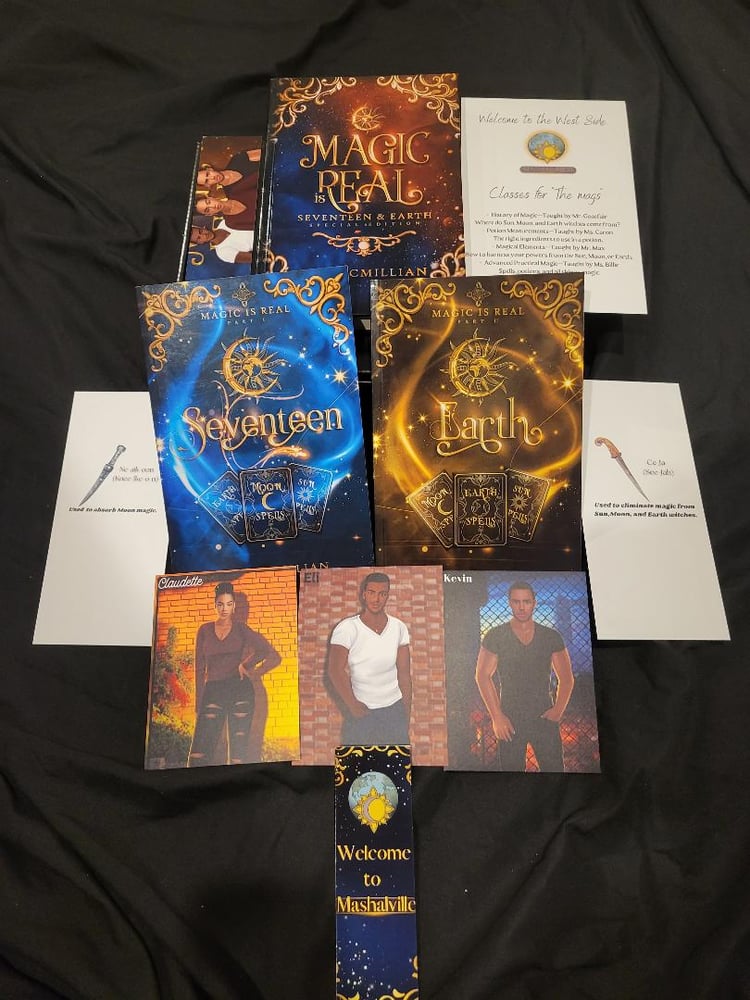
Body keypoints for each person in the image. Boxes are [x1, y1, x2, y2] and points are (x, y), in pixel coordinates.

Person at [474, 581, 574, 772]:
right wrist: (497, 717)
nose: (521, 607)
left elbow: (567, 678)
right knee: (512, 777)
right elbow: (482, 676)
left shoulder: (550, 636)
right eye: (516, 601)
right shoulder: (496, 635)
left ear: (534, 603)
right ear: (510, 603)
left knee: (554, 773)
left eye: (526, 601)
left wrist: (558, 710)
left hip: (544, 715)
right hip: (510, 717)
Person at [188, 581, 281, 767]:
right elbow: (199, 669)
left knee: (239, 755)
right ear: (215, 605)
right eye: (221, 604)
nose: (225, 609)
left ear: (234, 606)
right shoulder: (204, 630)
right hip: (213, 691)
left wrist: (246, 665)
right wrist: (199, 702)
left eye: (229, 604)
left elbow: (265, 650)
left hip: (240, 691)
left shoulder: (241, 629)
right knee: (199, 754)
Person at [327, 572, 412, 745]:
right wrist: (352, 705)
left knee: (396, 760)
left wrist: (405, 714)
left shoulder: (398, 627)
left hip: (393, 710)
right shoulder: (347, 628)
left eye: (382, 594)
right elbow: (335, 670)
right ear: (364, 594)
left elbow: (404, 674)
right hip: (362, 711)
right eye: (372, 592)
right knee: (357, 761)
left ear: (387, 596)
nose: (376, 599)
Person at [189, 216, 254, 264]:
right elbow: (253, 258)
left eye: (201, 231)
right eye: (199, 238)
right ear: (200, 243)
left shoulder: (225, 222)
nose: (204, 235)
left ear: (203, 228)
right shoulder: (223, 253)